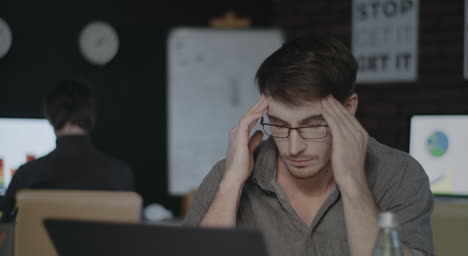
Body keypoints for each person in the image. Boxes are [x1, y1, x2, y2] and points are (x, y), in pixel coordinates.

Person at [184, 36, 433, 256]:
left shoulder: (399, 175)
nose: (293, 148)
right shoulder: (228, 174)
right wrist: (231, 183)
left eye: (312, 125)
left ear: (348, 109)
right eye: (279, 125)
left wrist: (353, 183)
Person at [0, 80, 135, 222]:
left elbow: (3, 228)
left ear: (50, 117)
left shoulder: (26, 176)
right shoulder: (121, 175)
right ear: (91, 117)